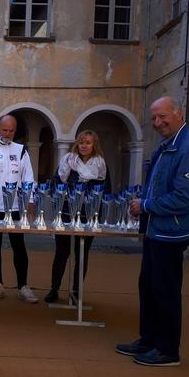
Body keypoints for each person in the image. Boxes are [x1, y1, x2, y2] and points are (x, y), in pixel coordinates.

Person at [116, 96, 189, 367]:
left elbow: (186, 197)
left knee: (165, 290)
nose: (157, 122)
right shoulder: (166, 147)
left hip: (170, 232)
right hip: (156, 230)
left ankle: (167, 350)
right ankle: (149, 339)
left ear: (178, 113)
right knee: (148, 286)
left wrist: (146, 205)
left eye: (162, 116)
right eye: (153, 118)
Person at [45, 130, 110, 304]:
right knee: (62, 252)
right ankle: (54, 289)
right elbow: (56, 182)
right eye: (81, 142)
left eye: (88, 142)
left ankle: (76, 291)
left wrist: (98, 215)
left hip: (88, 214)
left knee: (82, 253)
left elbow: (105, 191)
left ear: (94, 145)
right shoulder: (68, 161)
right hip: (66, 211)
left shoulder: (100, 165)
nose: (84, 145)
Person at [0, 114, 39, 303]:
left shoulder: (22, 150)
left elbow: (28, 178)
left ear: (15, 130)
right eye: (4, 130)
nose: (7, 134)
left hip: (15, 207)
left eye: (11, 131)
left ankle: (23, 286)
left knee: (19, 246)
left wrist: (30, 201)